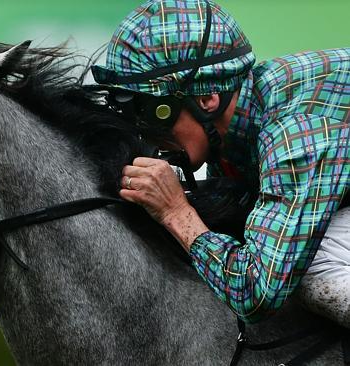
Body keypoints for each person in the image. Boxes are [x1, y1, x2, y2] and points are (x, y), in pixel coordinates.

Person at [91, 0, 350, 327]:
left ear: (207, 98)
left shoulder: (292, 135)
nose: (149, 135)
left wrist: (176, 212)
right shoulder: (241, 124)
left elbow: (256, 293)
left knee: (318, 260)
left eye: (151, 111)